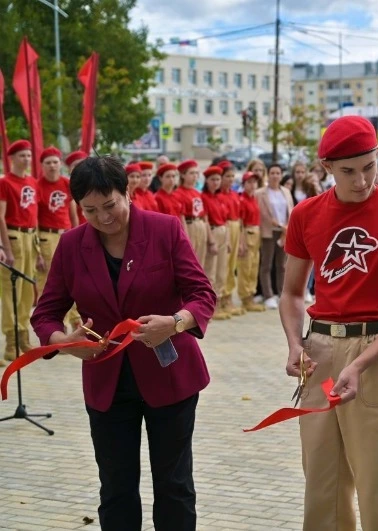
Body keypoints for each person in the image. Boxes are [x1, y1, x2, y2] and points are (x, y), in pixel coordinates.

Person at [31, 155, 216, 531]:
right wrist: (63, 341)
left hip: (170, 376)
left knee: (174, 486)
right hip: (107, 384)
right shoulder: (71, 245)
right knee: (115, 488)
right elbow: (45, 313)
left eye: (110, 204)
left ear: (127, 192)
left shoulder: (164, 229)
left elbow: (202, 294)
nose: (103, 218)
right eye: (90, 210)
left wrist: (175, 322)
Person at [279, 115, 378, 531]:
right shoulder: (305, 215)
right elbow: (291, 293)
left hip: (374, 352)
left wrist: (360, 363)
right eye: (348, 171)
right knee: (323, 490)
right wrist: (295, 343)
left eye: (369, 166)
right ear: (326, 166)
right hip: (320, 353)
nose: (361, 180)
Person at [0, 139, 37, 360]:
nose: (26, 159)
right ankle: (11, 340)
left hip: (30, 237)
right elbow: (0, 217)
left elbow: (35, 215)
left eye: (29, 155)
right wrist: (6, 247)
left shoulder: (32, 181)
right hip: (13, 237)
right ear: (12, 159)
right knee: (9, 291)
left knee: (26, 292)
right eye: (22, 155)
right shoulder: (5, 182)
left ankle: (24, 336)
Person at [35, 147, 80, 328]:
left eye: (55, 162)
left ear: (60, 164)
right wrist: (37, 248)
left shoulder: (66, 183)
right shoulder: (38, 186)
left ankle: (77, 323)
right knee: (51, 284)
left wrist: (78, 235)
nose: (52, 166)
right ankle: (54, 327)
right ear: (42, 166)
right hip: (47, 236)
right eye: (48, 163)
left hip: (67, 234)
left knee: (75, 279)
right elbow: (35, 218)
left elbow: (73, 213)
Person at [256, 163, 293, 310]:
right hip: (268, 231)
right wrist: (277, 223)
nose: (275, 176)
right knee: (266, 264)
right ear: (268, 174)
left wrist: (286, 227)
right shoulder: (260, 193)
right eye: (272, 173)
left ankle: (281, 293)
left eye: (278, 173)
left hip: (284, 231)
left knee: (282, 265)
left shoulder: (286, 191)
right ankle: (268, 295)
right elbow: (261, 213)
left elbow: (290, 210)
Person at [201, 166, 230, 320]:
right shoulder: (203, 197)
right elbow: (205, 219)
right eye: (212, 179)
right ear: (206, 180)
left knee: (221, 270)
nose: (215, 182)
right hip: (212, 231)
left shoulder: (220, 197)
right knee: (210, 270)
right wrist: (211, 239)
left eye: (218, 179)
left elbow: (225, 219)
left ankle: (218, 302)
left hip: (223, 231)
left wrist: (229, 240)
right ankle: (210, 306)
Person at [237, 172, 264, 312]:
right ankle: (245, 297)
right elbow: (240, 223)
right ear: (244, 184)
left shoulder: (254, 199)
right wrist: (241, 242)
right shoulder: (241, 200)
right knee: (245, 268)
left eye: (254, 182)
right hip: (247, 233)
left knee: (253, 267)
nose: (252, 185)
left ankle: (251, 296)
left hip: (256, 232)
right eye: (249, 182)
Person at [220, 164, 245, 316]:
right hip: (226, 227)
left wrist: (241, 240)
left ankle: (228, 297)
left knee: (232, 264)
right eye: (227, 176)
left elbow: (240, 218)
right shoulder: (219, 196)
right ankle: (221, 297)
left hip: (236, 226)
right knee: (224, 264)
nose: (230, 179)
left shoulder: (235, 195)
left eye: (232, 176)